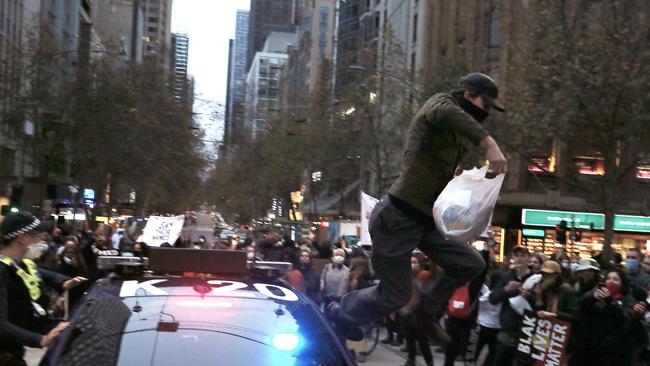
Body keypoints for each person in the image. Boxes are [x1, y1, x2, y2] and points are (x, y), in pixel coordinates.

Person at [329, 72, 508, 340]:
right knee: (396, 294)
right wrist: (489, 143)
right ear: (469, 95)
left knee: (471, 263)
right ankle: (342, 311)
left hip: (426, 221)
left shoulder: (453, 133)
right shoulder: (439, 104)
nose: (487, 113)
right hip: (398, 217)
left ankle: (426, 311)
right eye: (485, 105)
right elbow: (445, 112)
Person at [0, 212, 87, 365]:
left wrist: (64, 283)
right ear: (22, 238)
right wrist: (41, 339)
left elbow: (44, 275)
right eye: (36, 235)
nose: (40, 240)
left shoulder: (20, 264)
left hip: (13, 352)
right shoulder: (2, 271)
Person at [575, 269, 647, 366]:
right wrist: (591, 298)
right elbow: (582, 308)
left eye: (615, 279)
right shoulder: (597, 293)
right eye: (608, 279)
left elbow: (623, 318)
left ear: (622, 284)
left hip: (616, 350)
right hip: (594, 347)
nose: (611, 282)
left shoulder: (628, 299)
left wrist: (610, 301)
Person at [490, 246, 532, 365]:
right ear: (512, 258)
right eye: (517, 255)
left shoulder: (535, 277)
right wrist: (506, 289)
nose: (520, 259)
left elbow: (541, 304)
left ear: (528, 258)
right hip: (507, 330)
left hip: (527, 330)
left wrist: (533, 296)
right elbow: (492, 299)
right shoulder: (505, 277)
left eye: (523, 255)